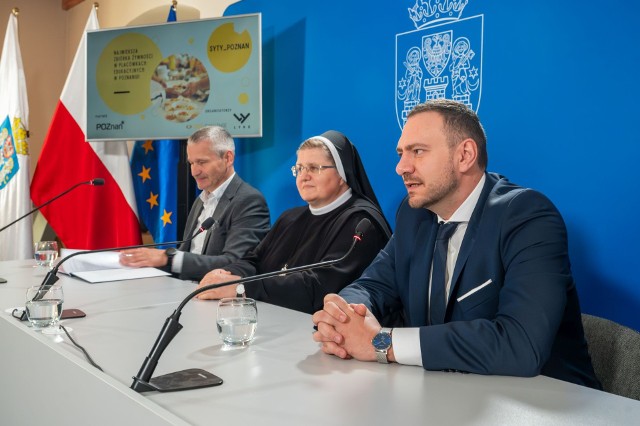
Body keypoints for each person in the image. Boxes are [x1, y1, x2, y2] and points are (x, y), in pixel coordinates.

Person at [311, 100, 601, 389]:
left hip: (547, 404)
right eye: (401, 153)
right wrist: (343, 317)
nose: (401, 167)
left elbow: (521, 344)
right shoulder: (414, 215)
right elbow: (373, 286)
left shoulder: (528, 217)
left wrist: (382, 343)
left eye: (418, 151)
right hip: (448, 394)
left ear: (465, 155)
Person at [195, 130, 392, 314]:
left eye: (314, 168)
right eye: (299, 168)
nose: (304, 176)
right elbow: (254, 261)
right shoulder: (290, 218)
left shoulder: (361, 223)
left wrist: (242, 287)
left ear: (342, 173)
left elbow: (321, 288)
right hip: (274, 320)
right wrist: (227, 274)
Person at [120, 126, 270, 282]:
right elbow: (189, 254)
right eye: (192, 163)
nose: (194, 172)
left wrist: (168, 258)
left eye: (202, 162)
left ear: (228, 158)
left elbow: (235, 264)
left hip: (220, 299)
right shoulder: (200, 200)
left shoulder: (249, 200)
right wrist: (149, 262)